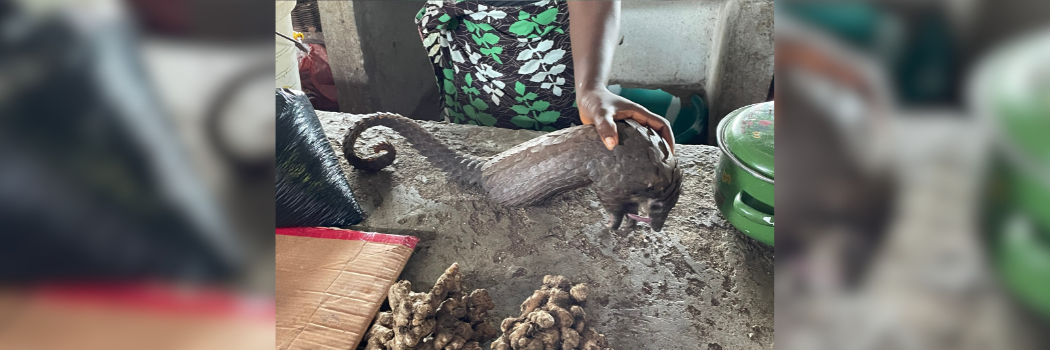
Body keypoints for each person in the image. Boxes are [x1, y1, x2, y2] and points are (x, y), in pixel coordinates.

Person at [416, 0, 674, 153]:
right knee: (477, 148)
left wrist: (591, 87)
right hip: (469, 52)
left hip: (541, 57)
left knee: (554, 154)